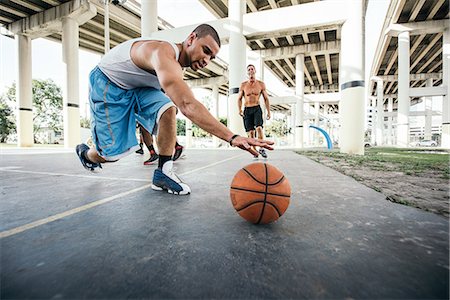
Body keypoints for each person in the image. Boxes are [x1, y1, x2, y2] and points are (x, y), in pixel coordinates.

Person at [76, 24, 273, 195]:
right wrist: (232, 137)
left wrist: (168, 138)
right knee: (110, 155)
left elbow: (174, 104)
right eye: (205, 50)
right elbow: (187, 104)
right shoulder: (162, 53)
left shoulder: (178, 68)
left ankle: (163, 172)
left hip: (139, 87)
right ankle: (86, 155)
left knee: (168, 108)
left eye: (211, 57)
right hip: (110, 83)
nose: (206, 60)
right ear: (191, 38)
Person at [237, 64, 271, 159]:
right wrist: (239, 109)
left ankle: (261, 148)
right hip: (247, 109)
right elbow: (239, 98)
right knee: (250, 133)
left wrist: (268, 111)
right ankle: (255, 152)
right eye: (249, 69)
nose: (251, 70)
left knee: (259, 128)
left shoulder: (260, 84)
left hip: (256, 108)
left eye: (252, 69)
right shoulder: (243, 85)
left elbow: (266, 99)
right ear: (247, 72)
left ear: (255, 71)